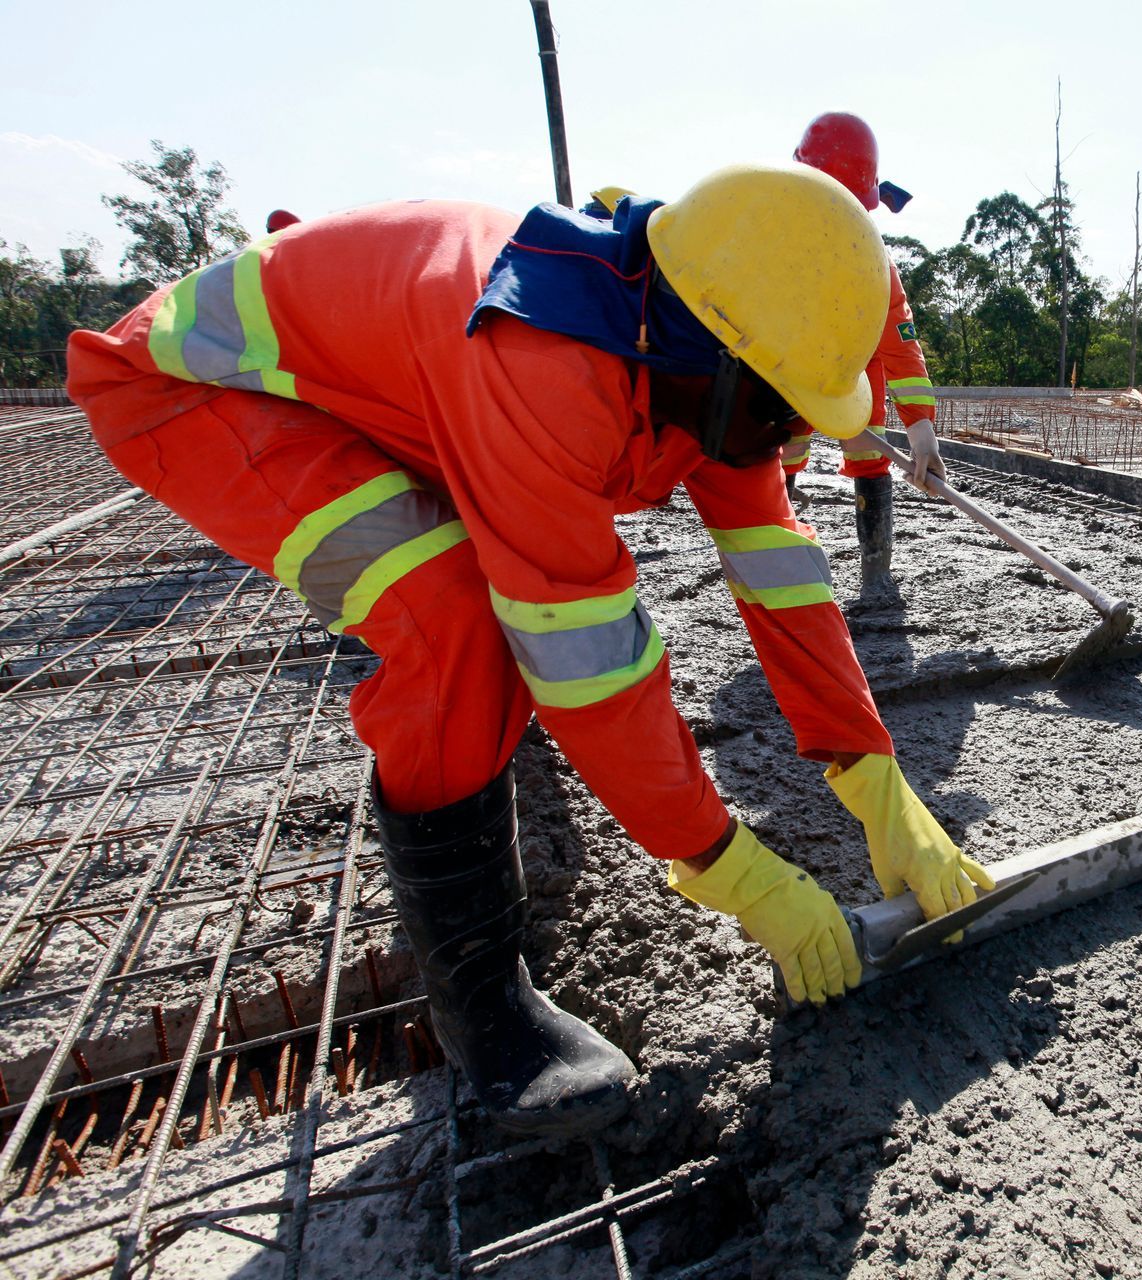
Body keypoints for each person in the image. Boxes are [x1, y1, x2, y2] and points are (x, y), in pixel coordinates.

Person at [66, 164, 994, 1138]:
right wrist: (733, 869)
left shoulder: (686, 355)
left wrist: (876, 776)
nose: (788, 439)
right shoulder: (547, 364)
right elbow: (592, 672)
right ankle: (487, 1014)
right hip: (197, 390)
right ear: (714, 357)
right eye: (781, 411)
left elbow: (782, 574)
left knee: (483, 605)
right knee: (455, 618)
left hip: (375, 393)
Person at [783, 111, 942, 604]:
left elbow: (900, 344)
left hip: (855, 373)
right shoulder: (775, 242)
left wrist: (921, 431)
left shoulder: (874, 261)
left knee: (869, 456)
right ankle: (778, 565)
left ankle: (876, 574)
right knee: (781, 455)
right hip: (787, 370)